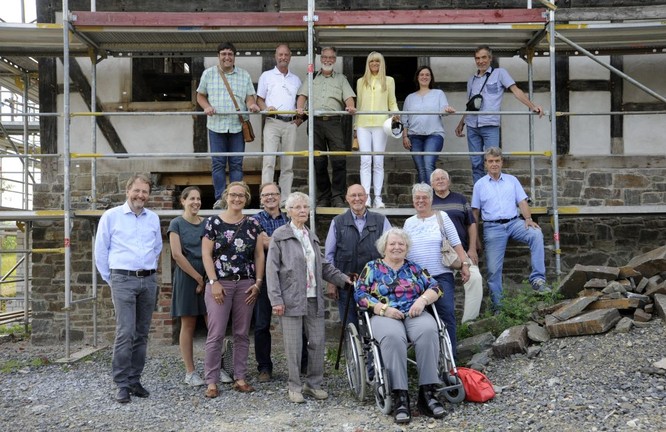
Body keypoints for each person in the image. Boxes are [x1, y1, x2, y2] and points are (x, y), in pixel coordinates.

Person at [266, 192, 351, 404]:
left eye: (306, 207)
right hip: (291, 298)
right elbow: (271, 270)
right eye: (298, 207)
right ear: (289, 211)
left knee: (317, 342)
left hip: (313, 298)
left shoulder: (310, 235)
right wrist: (276, 299)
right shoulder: (280, 235)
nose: (303, 210)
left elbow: (322, 266)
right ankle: (294, 386)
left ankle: (313, 384)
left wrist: (344, 280)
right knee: (293, 346)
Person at [354, 228, 445, 424]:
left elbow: (436, 287)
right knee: (394, 338)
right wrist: (383, 309)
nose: (396, 247)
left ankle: (428, 393)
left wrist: (421, 301)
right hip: (384, 315)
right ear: (384, 247)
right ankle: (400, 397)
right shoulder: (372, 268)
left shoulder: (414, 268)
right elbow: (360, 295)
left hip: (414, 313)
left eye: (401, 244)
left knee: (429, 331)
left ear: (406, 248)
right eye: (392, 244)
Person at [94, 174, 162, 404]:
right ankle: (121, 384)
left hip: (148, 280)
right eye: (137, 190)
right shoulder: (112, 216)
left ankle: (135, 380)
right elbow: (101, 251)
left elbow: (157, 248)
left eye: (145, 192)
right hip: (122, 279)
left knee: (142, 334)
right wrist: (112, 279)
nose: (140, 195)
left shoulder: (152, 218)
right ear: (127, 190)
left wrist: (148, 272)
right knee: (125, 332)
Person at [202, 181, 265, 398]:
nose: (236, 199)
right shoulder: (213, 222)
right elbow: (206, 255)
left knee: (241, 333)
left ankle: (240, 377)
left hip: (246, 284)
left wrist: (257, 282)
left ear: (246, 198)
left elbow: (259, 255)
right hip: (220, 284)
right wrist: (213, 282)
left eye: (241, 195)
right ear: (226, 196)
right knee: (216, 333)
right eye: (233, 195)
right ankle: (211, 380)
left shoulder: (253, 224)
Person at [471, 147, 550, 309]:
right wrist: (476, 239)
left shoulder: (512, 180)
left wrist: (528, 218)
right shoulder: (479, 185)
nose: (494, 164)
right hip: (492, 228)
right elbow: (475, 212)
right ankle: (499, 309)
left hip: (515, 223)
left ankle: (537, 279)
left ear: (502, 162)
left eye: (497, 161)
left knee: (536, 234)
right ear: (485, 164)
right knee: (493, 270)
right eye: (490, 161)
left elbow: (522, 201)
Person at [455, 45, 544, 185]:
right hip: (472, 125)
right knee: (476, 162)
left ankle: (494, 195)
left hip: (490, 125)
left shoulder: (500, 73)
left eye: (484, 57)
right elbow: (470, 105)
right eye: (477, 58)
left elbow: (516, 91)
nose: (480, 61)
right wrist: (461, 122)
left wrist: (532, 106)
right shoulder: (471, 80)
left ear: (490, 58)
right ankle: (480, 197)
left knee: (493, 162)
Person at [403, 183, 470, 360]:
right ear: (413, 201)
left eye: (424, 197)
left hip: (440, 276)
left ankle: (451, 361)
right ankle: (428, 360)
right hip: (416, 281)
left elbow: (456, 244)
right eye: (417, 198)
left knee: (446, 315)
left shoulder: (442, 217)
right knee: (420, 319)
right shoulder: (408, 223)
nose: (421, 201)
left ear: (431, 200)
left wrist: (465, 265)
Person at [252, 182, 308, 382]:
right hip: (265, 278)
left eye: (274, 194)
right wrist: (272, 241)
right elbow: (256, 245)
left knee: (298, 322)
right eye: (266, 195)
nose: (270, 198)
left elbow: (296, 242)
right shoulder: (254, 220)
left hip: (290, 279)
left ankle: (304, 365)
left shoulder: (289, 217)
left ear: (280, 197)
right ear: (261, 199)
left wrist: (270, 241)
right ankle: (264, 368)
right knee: (261, 325)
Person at [196, 42, 260, 209]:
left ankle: (237, 198)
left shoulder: (244, 75)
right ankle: (220, 199)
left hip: (237, 126)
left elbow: (249, 97)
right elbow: (200, 96)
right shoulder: (208, 74)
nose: (227, 57)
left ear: (234, 57)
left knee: (236, 163)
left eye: (230, 54)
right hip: (216, 126)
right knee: (218, 163)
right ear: (218, 56)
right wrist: (206, 107)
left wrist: (252, 105)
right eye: (223, 54)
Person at [296, 46, 357, 208]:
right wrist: (300, 107)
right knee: (318, 161)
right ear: (320, 59)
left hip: (334, 122)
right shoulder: (312, 77)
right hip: (315, 122)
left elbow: (349, 98)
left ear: (335, 59)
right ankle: (324, 196)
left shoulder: (341, 79)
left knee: (339, 160)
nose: (327, 60)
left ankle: (337, 196)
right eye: (325, 57)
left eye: (331, 57)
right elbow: (302, 96)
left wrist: (350, 106)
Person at [324, 183, 391, 327]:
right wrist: (331, 282)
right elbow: (329, 255)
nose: (357, 199)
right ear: (347, 199)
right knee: (350, 327)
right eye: (353, 195)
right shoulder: (337, 222)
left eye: (360, 195)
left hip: (376, 284)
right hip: (347, 284)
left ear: (366, 197)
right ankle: (352, 349)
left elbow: (391, 250)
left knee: (377, 326)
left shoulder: (381, 220)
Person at [168, 186, 209, 387]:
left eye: (198, 198)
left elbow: (212, 251)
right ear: (182, 201)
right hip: (186, 277)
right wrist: (197, 278)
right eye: (191, 198)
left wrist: (206, 277)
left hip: (207, 275)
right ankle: (190, 372)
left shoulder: (208, 224)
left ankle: (215, 368)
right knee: (189, 324)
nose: (196, 202)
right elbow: (177, 254)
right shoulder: (176, 224)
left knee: (214, 323)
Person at [430, 169, 484, 322]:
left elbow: (471, 224)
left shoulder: (460, 199)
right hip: (438, 255)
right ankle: (440, 323)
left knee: (475, 278)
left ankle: (468, 322)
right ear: (432, 184)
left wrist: (472, 248)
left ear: (449, 182)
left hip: (461, 252)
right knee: (438, 286)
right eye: (437, 179)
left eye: (443, 178)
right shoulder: (428, 202)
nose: (440, 181)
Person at [257, 44, 304, 205]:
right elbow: (260, 100)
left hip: (289, 124)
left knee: (288, 164)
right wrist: (265, 109)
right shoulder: (266, 76)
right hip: (272, 121)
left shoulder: (296, 79)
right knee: (269, 161)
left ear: (290, 57)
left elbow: (301, 101)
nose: (283, 57)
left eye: (286, 55)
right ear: (275, 56)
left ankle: (284, 200)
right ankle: (266, 198)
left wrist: (298, 120)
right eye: (280, 54)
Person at [355, 51, 399, 209]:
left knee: (378, 161)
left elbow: (392, 102)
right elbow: (359, 104)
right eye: (371, 61)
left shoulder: (389, 81)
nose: (374, 64)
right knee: (365, 161)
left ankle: (378, 198)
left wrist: (395, 115)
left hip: (381, 124)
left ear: (382, 64)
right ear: (368, 64)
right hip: (363, 124)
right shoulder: (361, 81)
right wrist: (355, 127)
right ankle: (365, 197)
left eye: (377, 61)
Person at [401, 66, 456, 184]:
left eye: (427, 75)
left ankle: (432, 196)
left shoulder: (438, 94)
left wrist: (447, 109)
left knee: (428, 164)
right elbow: (404, 119)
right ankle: (425, 195)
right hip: (414, 136)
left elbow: (443, 110)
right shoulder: (410, 98)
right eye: (422, 74)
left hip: (434, 134)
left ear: (431, 78)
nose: (424, 77)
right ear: (417, 77)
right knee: (420, 168)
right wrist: (405, 136)